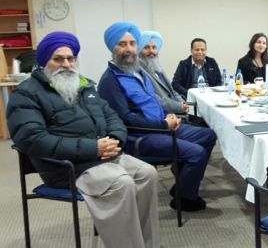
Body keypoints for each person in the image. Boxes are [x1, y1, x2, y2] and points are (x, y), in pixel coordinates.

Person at [7, 31, 160, 248]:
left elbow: (112, 117)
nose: (66, 64)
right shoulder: (26, 94)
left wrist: (114, 140)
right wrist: (93, 148)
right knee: (121, 182)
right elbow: (32, 139)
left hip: (103, 156)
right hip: (66, 166)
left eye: (70, 58)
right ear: (44, 62)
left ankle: (147, 243)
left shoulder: (85, 86)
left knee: (147, 173)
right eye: (58, 59)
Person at [97, 22, 217, 212]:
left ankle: (183, 184)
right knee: (196, 153)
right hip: (140, 137)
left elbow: (153, 102)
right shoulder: (109, 81)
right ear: (112, 48)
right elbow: (125, 119)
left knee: (209, 136)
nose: (129, 49)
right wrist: (163, 124)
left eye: (132, 44)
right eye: (122, 44)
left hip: (162, 127)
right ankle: (184, 198)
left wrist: (169, 117)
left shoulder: (137, 72)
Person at [139, 31, 188, 114]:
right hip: (164, 115)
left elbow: (172, 91)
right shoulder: (139, 71)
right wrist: (179, 107)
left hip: (178, 112)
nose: (151, 51)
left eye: (154, 47)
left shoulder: (157, 67)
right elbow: (153, 98)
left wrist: (183, 104)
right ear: (139, 50)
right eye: (146, 47)